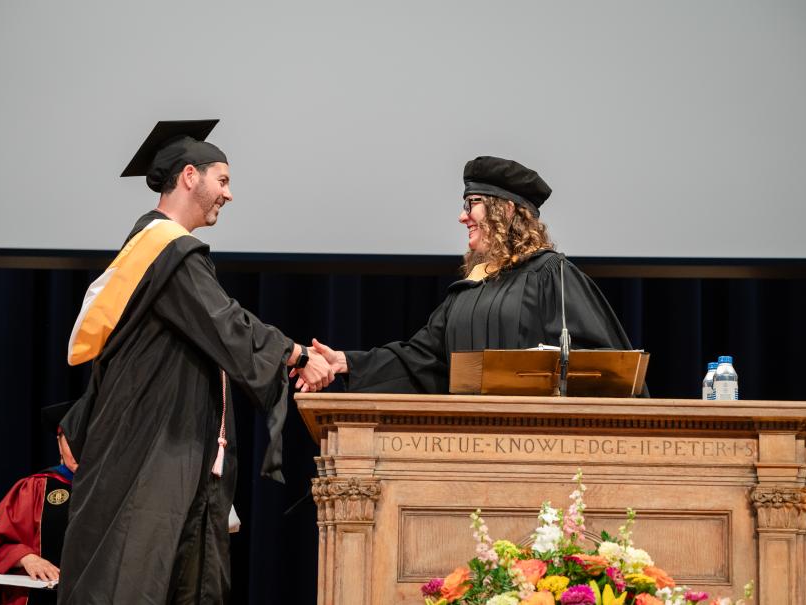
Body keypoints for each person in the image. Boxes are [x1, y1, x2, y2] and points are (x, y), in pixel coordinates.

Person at [57, 120, 332, 605]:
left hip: (176, 456)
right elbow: (229, 325)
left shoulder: (156, 253)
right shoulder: (168, 252)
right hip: (150, 456)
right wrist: (299, 354)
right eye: (222, 180)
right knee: (133, 582)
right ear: (190, 176)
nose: (229, 195)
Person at [312, 155, 637, 393]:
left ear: (506, 209)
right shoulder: (467, 292)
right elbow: (418, 361)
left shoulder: (551, 274)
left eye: (472, 204)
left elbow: (603, 368)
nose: (462, 216)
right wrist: (344, 362)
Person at [0, 402, 78, 605]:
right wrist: (26, 557)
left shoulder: (115, 489)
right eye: (70, 439)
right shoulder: (35, 488)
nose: (77, 447)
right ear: (59, 443)